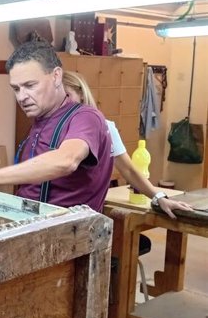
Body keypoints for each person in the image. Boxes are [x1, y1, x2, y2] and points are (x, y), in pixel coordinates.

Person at [0, 40, 113, 212]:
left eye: (30, 85)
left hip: (69, 236)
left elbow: (66, 160)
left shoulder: (85, 117)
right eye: (16, 89)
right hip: (35, 231)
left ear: (56, 76)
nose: (21, 97)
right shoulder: (39, 122)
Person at [62, 70, 193, 219]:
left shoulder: (104, 128)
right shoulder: (47, 130)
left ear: (81, 95)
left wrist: (159, 197)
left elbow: (129, 170)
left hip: (81, 216)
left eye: (67, 95)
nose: (62, 103)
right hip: (51, 212)